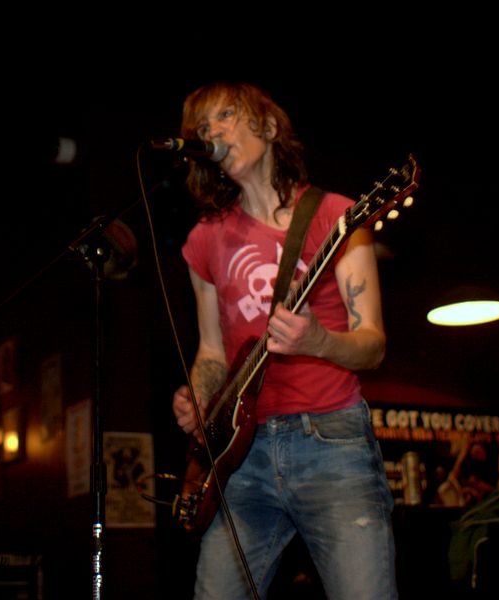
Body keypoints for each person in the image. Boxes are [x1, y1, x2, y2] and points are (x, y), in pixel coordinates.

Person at [171, 82, 398, 599]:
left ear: (270, 127)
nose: (212, 131)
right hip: (241, 457)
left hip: (331, 441)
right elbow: (212, 351)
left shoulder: (337, 215)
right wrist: (199, 395)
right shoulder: (204, 239)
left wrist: (320, 341)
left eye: (226, 116)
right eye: (203, 127)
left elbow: (372, 344)